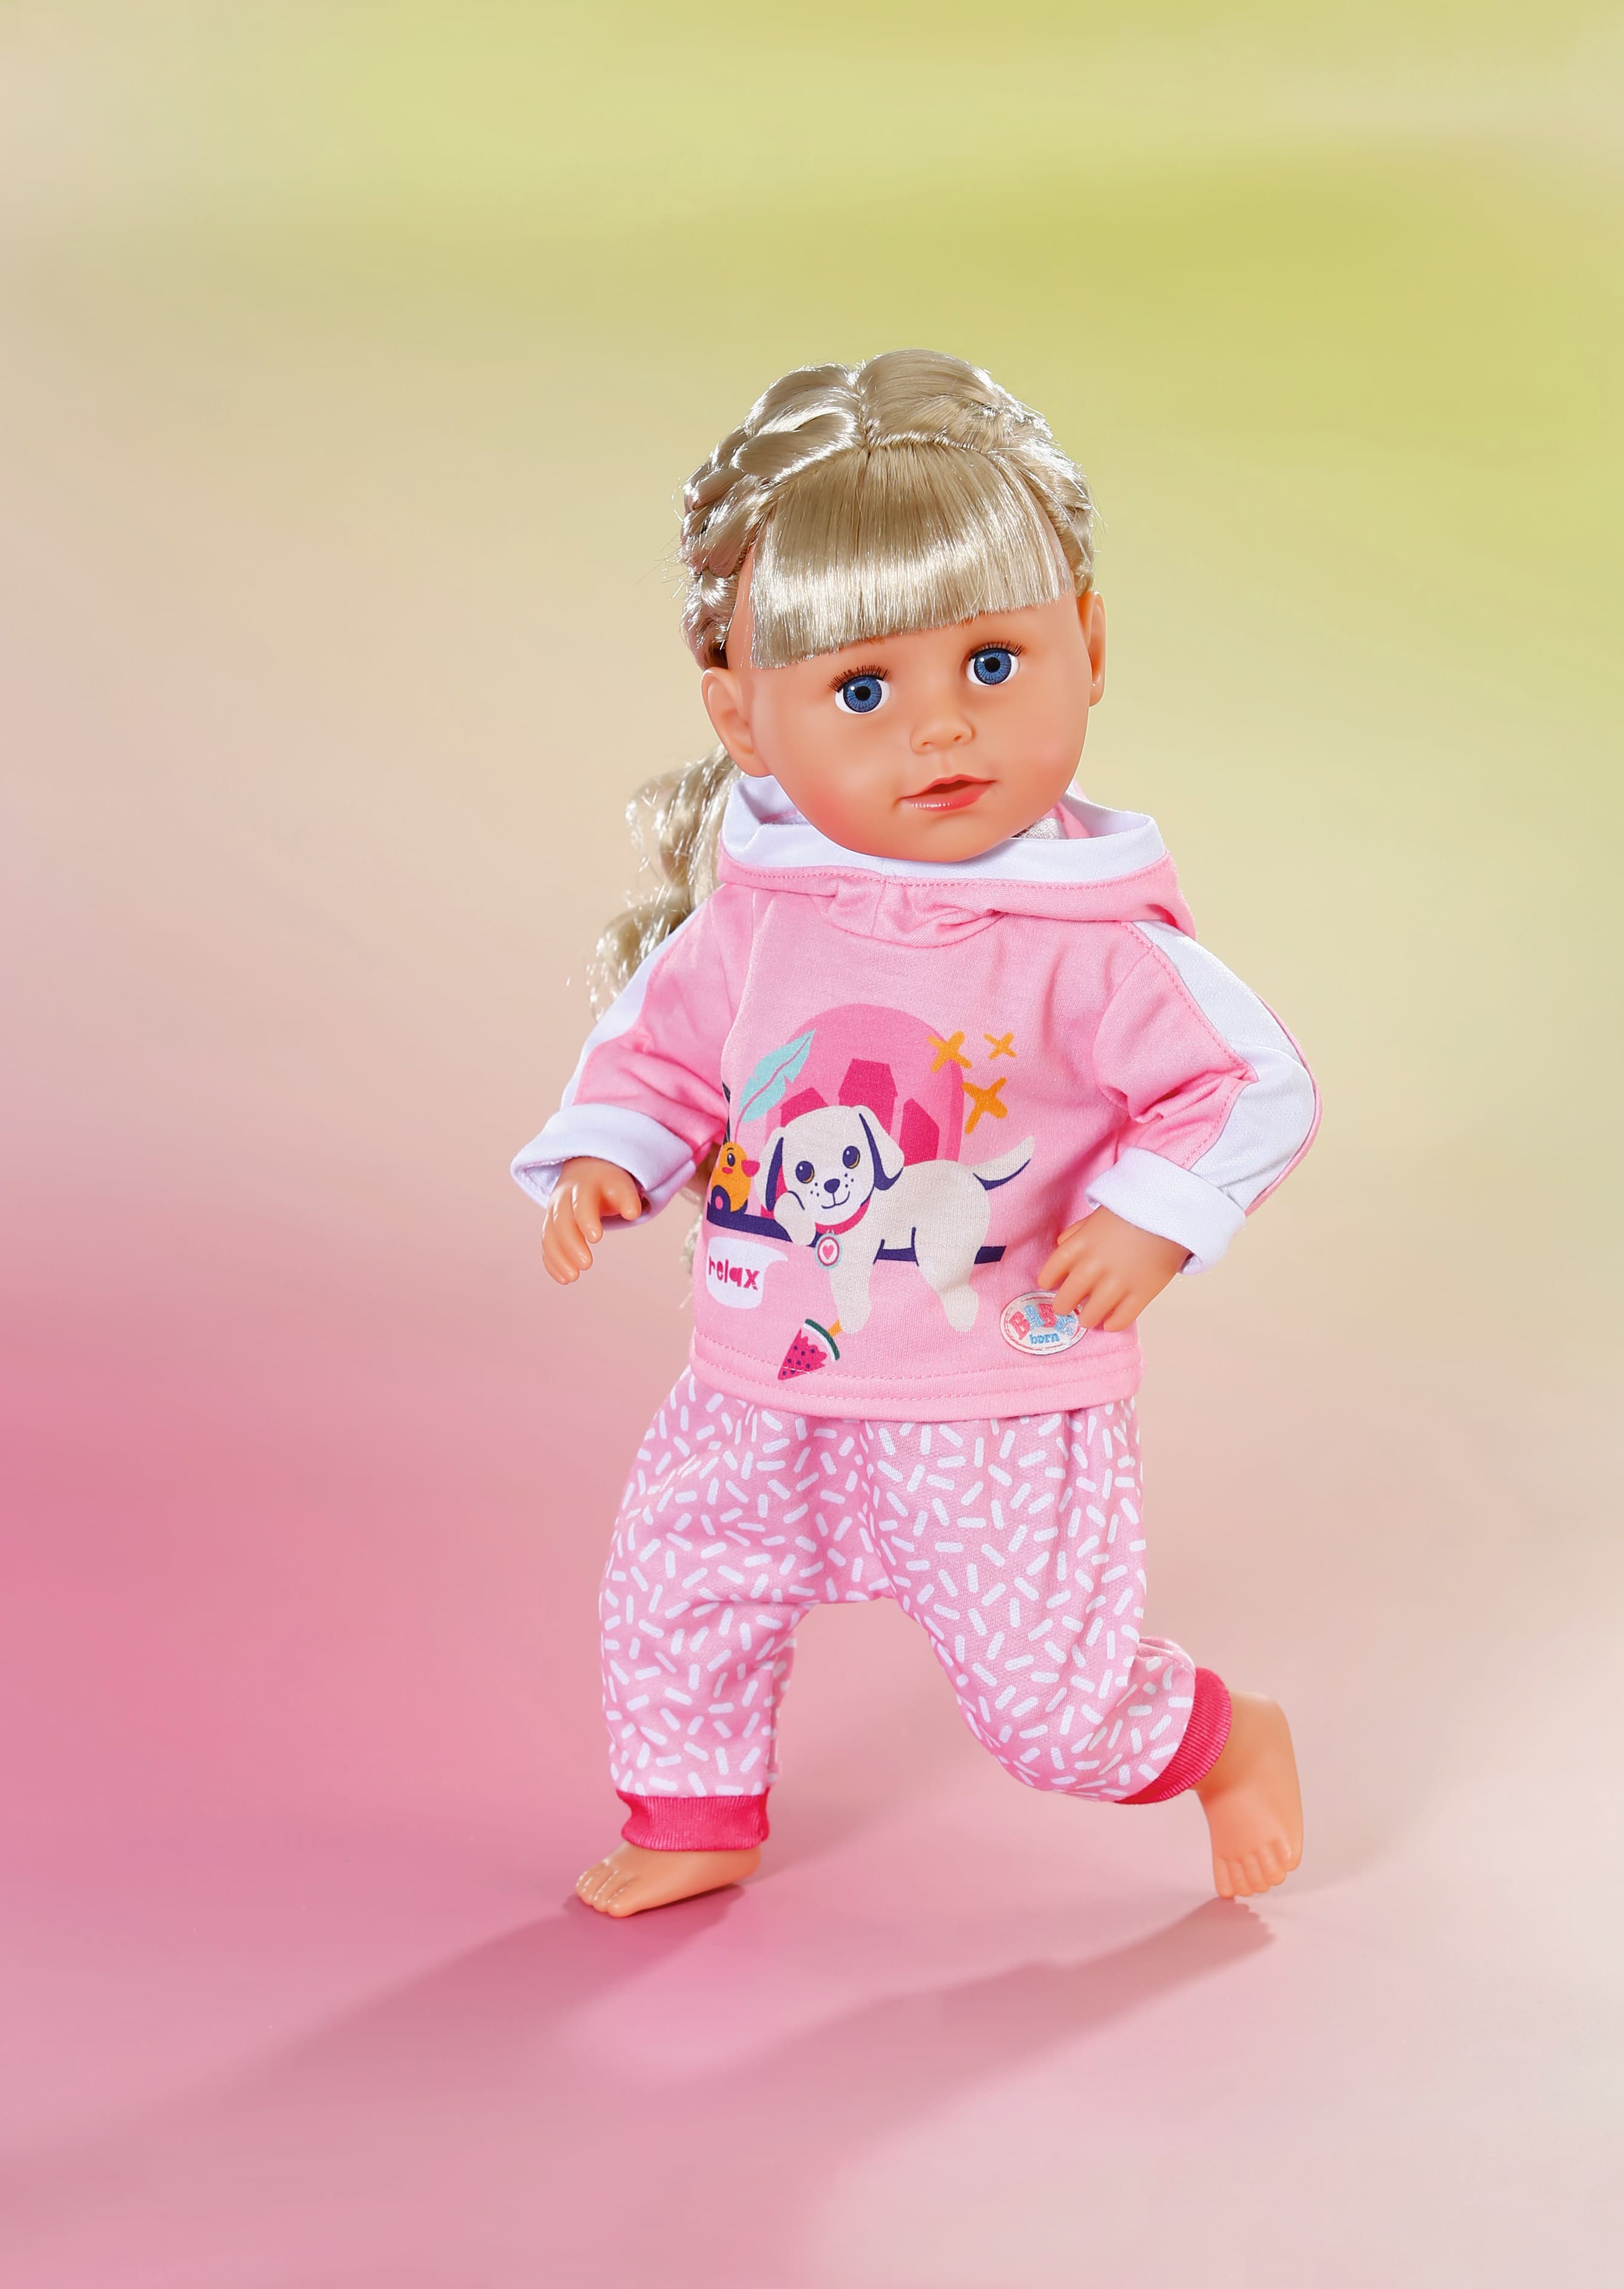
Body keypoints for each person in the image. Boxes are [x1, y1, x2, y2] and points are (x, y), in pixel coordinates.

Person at [513, 351, 1316, 1918]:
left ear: (1089, 644)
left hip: (992, 1386)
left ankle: (1223, 1738)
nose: (942, 729)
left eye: (994, 664)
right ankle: (694, 1811)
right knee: (682, 1583)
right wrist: (614, 1154)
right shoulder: (764, 908)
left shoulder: (1089, 940)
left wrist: (1151, 1217)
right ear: (744, 717)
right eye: (865, 692)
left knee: (1050, 1707)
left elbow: (1249, 1085)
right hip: (764, 1368)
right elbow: (666, 1048)